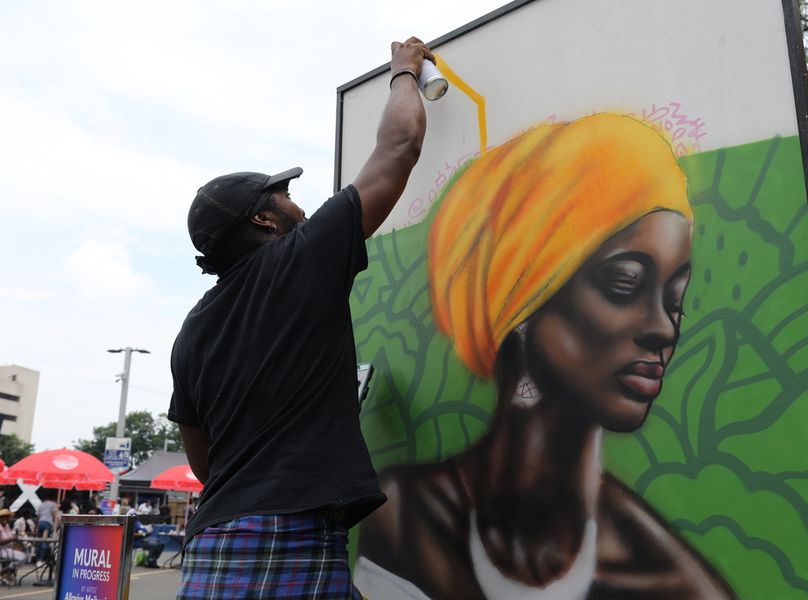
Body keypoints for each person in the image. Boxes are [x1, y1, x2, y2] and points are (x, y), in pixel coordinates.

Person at [354, 114, 735, 599]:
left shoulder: (674, 585)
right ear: (524, 302)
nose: (663, 329)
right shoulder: (404, 516)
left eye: (675, 301)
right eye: (625, 284)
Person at [167, 36, 432, 598]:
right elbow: (400, 146)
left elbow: (204, 462)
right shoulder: (303, 256)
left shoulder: (191, 330)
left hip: (214, 541)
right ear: (265, 219)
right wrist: (405, 72)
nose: (297, 202)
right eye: (285, 194)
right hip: (285, 535)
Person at [0, 508, 28, 585]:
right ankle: (4, 572)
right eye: (4, 517)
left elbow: (11, 538)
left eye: (7, 517)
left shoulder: (7, 526)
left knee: (26, 553)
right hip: (2, 550)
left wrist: (16, 545)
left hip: (8, 549)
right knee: (22, 557)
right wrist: (12, 539)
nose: (6, 518)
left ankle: (7, 572)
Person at [34, 494, 58, 567]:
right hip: (47, 524)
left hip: (40, 523)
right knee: (45, 542)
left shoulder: (41, 505)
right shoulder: (53, 504)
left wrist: (35, 527)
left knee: (39, 542)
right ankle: (40, 560)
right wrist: (55, 526)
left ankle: (37, 559)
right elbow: (54, 515)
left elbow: (37, 516)